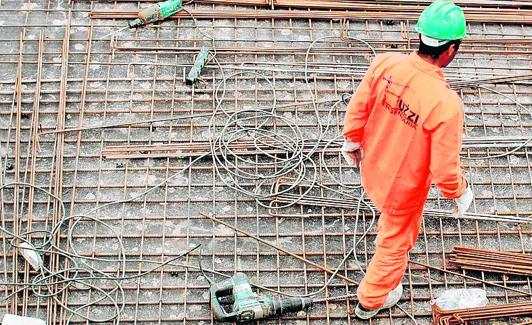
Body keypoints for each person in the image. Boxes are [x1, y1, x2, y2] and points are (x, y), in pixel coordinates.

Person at [341, 1, 474, 319]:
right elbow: (444, 170)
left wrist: (352, 140)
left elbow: (359, 106)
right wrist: (460, 191)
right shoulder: (445, 104)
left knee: (389, 226)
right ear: (450, 51)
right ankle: (371, 300)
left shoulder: (386, 64)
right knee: (395, 242)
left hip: (372, 167)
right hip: (402, 190)